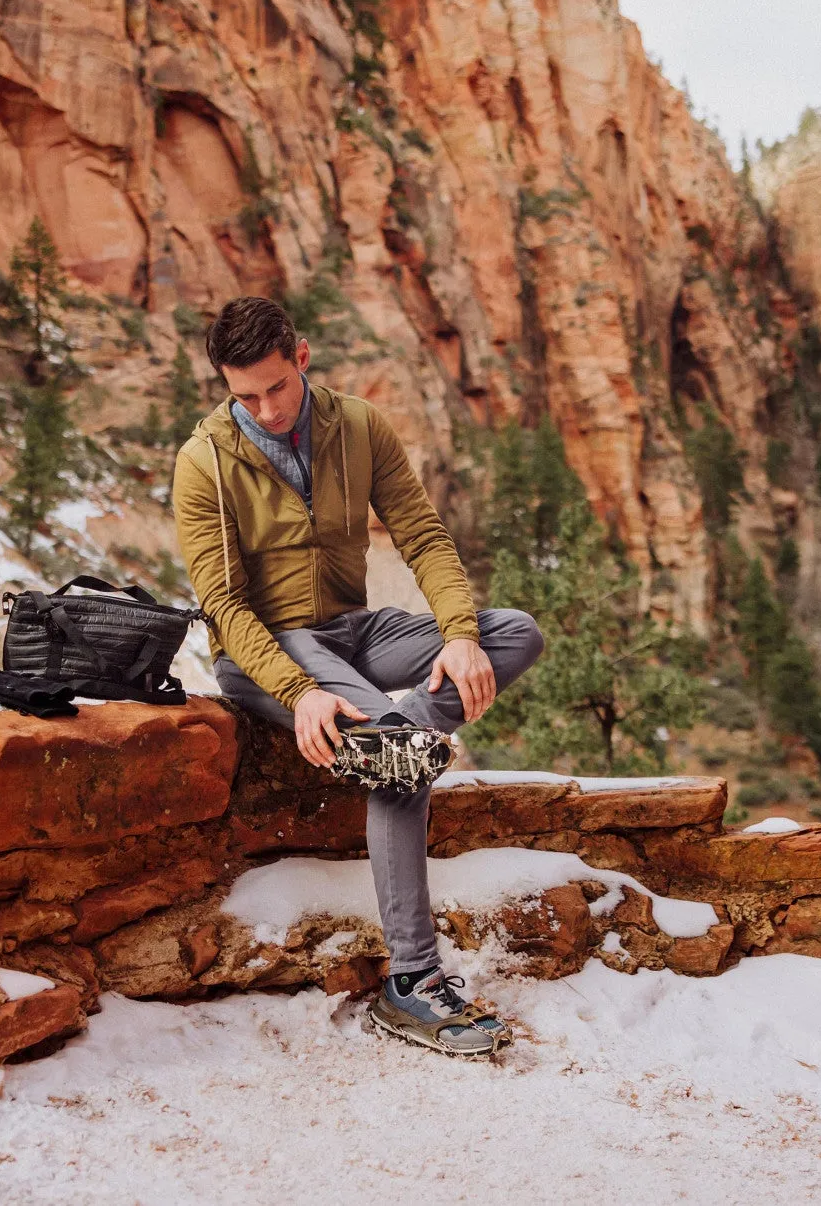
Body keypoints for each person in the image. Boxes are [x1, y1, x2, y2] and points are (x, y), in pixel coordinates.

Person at [171, 296, 545, 1057]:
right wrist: (303, 692)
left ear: (302, 357)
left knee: (516, 632)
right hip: (266, 651)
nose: (265, 409)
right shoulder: (203, 462)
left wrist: (463, 637)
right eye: (244, 395)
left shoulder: (361, 426)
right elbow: (224, 607)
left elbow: (425, 538)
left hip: (356, 631)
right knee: (399, 771)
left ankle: (396, 733)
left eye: (276, 387)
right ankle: (411, 982)